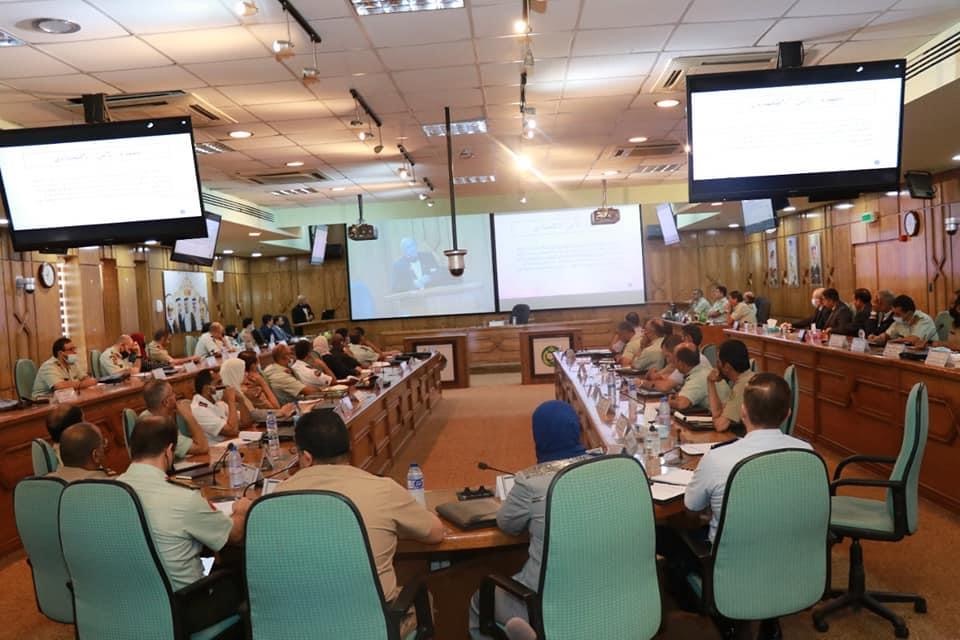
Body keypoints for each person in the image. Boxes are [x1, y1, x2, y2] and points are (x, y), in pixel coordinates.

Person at [658, 374, 812, 634]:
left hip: (732, 567)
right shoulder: (807, 452)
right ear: (787, 414)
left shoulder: (718, 458)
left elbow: (691, 510)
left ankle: (719, 618)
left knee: (666, 533)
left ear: (743, 412)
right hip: (790, 558)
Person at [276, 410, 443, 636]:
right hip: (370, 628)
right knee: (424, 599)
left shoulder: (275, 497)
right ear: (350, 449)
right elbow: (435, 533)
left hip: (296, 627)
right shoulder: (382, 489)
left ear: (306, 457)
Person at [117, 416, 249, 633]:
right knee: (243, 579)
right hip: (183, 608)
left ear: (132, 449)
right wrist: (242, 509)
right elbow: (235, 535)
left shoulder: (110, 492)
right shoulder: (183, 499)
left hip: (128, 602)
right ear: (169, 451)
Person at [468, 400, 588, 637]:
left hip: (544, 602)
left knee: (480, 602)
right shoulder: (610, 470)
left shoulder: (530, 481)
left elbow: (507, 524)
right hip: (610, 592)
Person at [140, 380, 210, 459]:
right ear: (166, 402)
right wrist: (188, 414)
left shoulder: (147, 415)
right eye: (172, 393)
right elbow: (203, 447)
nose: (176, 395)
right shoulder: (160, 428)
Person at [220, 357, 295, 421]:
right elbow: (253, 415)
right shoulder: (232, 393)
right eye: (242, 371)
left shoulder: (240, 389)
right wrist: (280, 412)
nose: (246, 374)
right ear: (235, 374)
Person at [707, 340, 756, 434]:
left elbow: (720, 425)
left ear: (727, 367)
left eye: (718, 362)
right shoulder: (749, 377)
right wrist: (710, 382)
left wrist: (710, 383)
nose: (716, 365)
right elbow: (719, 412)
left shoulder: (743, 385)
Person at [190, 370, 247, 443]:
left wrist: (241, 401)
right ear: (207, 389)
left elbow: (246, 423)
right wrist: (231, 401)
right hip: (217, 447)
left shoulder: (218, 403)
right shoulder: (198, 409)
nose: (225, 386)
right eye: (219, 383)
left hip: (232, 441)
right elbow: (232, 431)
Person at [32, 337, 97, 399]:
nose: (75, 352)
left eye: (74, 349)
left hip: (65, 397)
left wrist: (88, 381)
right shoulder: (48, 366)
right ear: (60, 353)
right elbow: (60, 386)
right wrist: (84, 384)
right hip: (43, 400)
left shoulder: (72, 363)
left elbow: (85, 378)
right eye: (71, 349)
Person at [262, 344, 327, 404]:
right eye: (291, 353)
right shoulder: (280, 376)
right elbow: (309, 391)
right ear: (286, 356)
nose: (294, 356)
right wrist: (321, 389)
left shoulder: (272, 369)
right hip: (292, 407)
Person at [870, 294, 939, 347]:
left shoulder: (923, 320)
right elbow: (888, 335)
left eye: (898, 314)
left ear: (909, 313)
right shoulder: (900, 321)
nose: (894, 316)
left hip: (929, 355)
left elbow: (913, 340)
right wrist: (878, 338)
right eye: (894, 313)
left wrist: (893, 341)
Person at [668, 345, 716, 411]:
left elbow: (682, 404)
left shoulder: (697, 378)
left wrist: (669, 402)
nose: (673, 364)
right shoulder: (703, 369)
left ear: (681, 363)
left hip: (716, 415)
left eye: (674, 361)